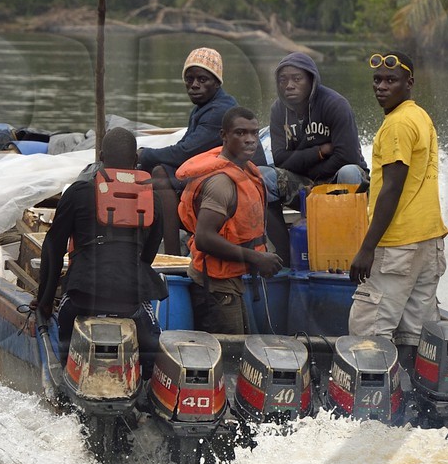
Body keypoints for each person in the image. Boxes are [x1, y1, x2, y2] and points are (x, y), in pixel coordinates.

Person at [34, 127, 166, 372]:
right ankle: (144, 383)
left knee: (64, 345)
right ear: (136, 160)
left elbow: (53, 248)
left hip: (81, 297)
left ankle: (65, 374)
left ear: (101, 157)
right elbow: (147, 257)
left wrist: (44, 301)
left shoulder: (78, 192)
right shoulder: (152, 200)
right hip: (131, 302)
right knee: (152, 349)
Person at [347, 51, 448, 368]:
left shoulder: (397, 125)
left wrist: (367, 247)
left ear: (409, 83)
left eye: (391, 80)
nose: (382, 86)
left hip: (397, 245)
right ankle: (413, 405)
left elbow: (392, 187)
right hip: (428, 242)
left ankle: (373, 410)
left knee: (368, 330)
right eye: (377, 80)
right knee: (415, 336)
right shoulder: (420, 117)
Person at [177, 106, 283, 334]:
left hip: (230, 283)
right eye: (240, 133)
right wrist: (255, 257)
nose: (250, 140)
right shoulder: (221, 183)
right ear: (224, 135)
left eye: (254, 133)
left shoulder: (243, 171)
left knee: (241, 350)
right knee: (230, 358)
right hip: (215, 287)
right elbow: (205, 238)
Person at [138, 47, 249, 254]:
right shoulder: (204, 107)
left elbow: (185, 152)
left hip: (227, 179)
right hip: (212, 171)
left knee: (160, 173)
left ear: (217, 82)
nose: (194, 85)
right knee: (160, 170)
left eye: (202, 79)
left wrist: (144, 155)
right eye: (189, 79)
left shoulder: (218, 110)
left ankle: (172, 254)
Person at [265, 51, 368, 196]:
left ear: (311, 80)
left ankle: (351, 218)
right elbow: (280, 160)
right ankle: (276, 220)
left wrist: (310, 171)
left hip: (336, 179)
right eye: (283, 80)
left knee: (349, 171)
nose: (289, 85)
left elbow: (347, 157)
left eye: (297, 79)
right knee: (264, 176)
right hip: (301, 181)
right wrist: (319, 152)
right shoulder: (278, 110)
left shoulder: (335, 105)